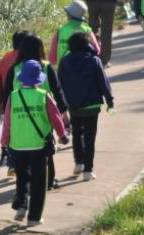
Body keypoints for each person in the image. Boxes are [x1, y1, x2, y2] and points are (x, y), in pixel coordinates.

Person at [0, 60, 69, 227]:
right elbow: (56, 118)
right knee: (38, 183)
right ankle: (34, 218)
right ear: (40, 79)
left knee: (21, 178)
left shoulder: (13, 96)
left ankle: (21, 207)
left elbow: (7, 122)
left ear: (22, 78)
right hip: (38, 146)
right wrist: (62, 135)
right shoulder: (44, 96)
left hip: (17, 146)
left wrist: (4, 142)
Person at [57, 32, 114, 181]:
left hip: (73, 105)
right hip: (92, 104)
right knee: (90, 137)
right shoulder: (94, 60)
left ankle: (79, 162)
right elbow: (103, 82)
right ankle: (88, 171)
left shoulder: (64, 61)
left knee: (76, 133)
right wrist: (110, 101)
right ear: (87, 44)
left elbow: (60, 84)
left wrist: (62, 105)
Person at [49, 0, 100, 66]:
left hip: (64, 70)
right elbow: (97, 51)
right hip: (84, 69)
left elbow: (52, 58)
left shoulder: (60, 30)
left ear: (69, 15)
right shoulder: (87, 31)